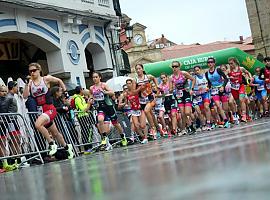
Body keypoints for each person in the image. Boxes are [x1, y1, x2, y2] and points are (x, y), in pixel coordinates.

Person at [23, 62, 74, 159]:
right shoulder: (30, 83)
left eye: (34, 70)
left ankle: (52, 144)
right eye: (30, 71)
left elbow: (59, 80)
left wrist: (66, 93)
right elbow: (25, 96)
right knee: (55, 133)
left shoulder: (45, 79)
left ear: (39, 70)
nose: (32, 73)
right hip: (41, 111)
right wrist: (26, 84)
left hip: (50, 109)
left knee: (38, 125)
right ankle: (67, 147)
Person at [89, 72, 128, 150]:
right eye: (93, 77)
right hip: (100, 107)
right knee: (100, 119)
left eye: (96, 77)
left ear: (100, 77)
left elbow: (112, 92)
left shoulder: (104, 85)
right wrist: (91, 100)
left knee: (116, 123)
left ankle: (123, 137)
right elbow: (91, 96)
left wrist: (104, 92)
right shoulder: (91, 88)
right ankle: (104, 138)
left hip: (108, 106)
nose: (95, 79)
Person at [170, 61, 196, 134]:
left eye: (176, 66)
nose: (174, 68)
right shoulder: (171, 77)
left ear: (179, 67)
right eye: (173, 67)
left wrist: (191, 89)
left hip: (186, 93)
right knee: (182, 113)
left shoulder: (184, 73)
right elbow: (170, 89)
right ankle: (190, 127)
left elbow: (193, 79)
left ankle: (193, 122)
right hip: (179, 95)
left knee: (187, 112)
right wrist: (171, 89)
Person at [134, 64, 159, 138]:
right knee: (151, 114)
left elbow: (154, 78)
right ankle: (158, 128)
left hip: (150, 97)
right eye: (137, 69)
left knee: (146, 110)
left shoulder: (148, 77)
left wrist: (156, 86)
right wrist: (139, 88)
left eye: (139, 68)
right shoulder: (135, 80)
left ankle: (153, 128)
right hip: (142, 100)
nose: (138, 70)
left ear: (142, 69)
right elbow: (134, 92)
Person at [205, 57, 230, 128]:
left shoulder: (218, 70)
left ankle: (228, 118)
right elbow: (209, 83)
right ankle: (225, 121)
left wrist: (223, 86)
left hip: (222, 89)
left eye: (211, 62)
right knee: (218, 105)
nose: (210, 63)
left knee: (225, 108)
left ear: (214, 63)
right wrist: (208, 87)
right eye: (208, 62)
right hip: (214, 90)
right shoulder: (207, 73)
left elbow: (226, 79)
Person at [228, 57, 252, 122]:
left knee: (242, 100)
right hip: (233, 88)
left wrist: (250, 78)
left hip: (241, 86)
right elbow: (223, 77)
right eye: (229, 64)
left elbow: (248, 72)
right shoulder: (229, 70)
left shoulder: (241, 69)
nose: (230, 65)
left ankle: (244, 115)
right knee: (238, 103)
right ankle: (244, 115)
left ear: (235, 62)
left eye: (231, 63)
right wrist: (228, 77)